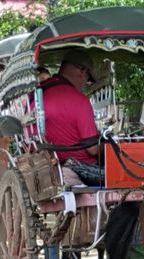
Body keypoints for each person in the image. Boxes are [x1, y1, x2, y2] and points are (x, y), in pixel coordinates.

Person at [41, 50, 101, 186]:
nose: (86, 83)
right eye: (88, 78)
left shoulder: (38, 94)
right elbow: (93, 150)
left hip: (45, 164)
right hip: (82, 167)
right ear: (82, 71)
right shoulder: (80, 101)